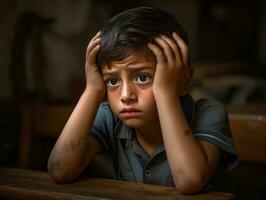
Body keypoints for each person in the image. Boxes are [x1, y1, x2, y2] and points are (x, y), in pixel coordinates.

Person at [47, 7, 238, 194]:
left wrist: (165, 93)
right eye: (112, 81)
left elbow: (190, 181)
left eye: (143, 77)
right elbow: (60, 170)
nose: (125, 95)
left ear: (185, 80)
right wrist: (93, 89)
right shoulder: (110, 117)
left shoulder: (208, 113)